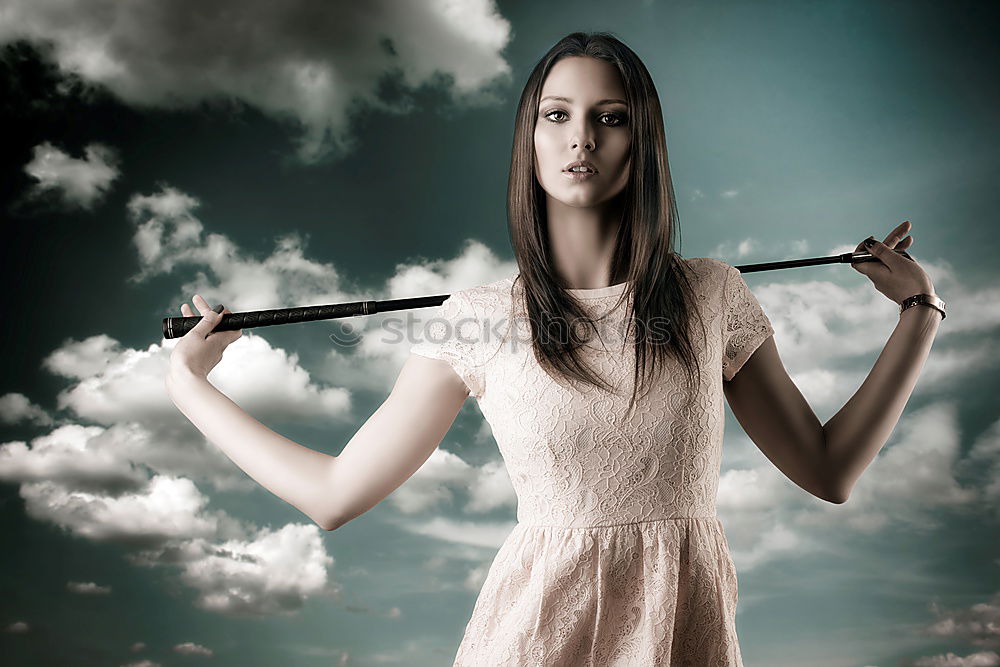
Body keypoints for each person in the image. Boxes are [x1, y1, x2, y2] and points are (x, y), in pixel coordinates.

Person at [166, 31, 943, 667]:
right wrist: (192, 388)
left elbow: (829, 470)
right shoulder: (474, 318)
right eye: (556, 115)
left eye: (609, 117)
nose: (581, 138)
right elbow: (335, 494)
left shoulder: (713, 294)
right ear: (528, 140)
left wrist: (919, 310)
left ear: (643, 140)